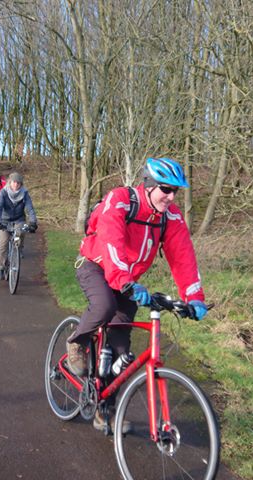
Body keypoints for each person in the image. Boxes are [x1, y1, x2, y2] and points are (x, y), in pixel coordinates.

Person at [67, 157, 209, 431]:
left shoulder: (171, 217)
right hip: (96, 267)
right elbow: (111, 241)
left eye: (175, 191)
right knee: (104, 306)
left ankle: (103, 412)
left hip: (127, 280)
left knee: (121, 352)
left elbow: (183, 258)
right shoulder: (120, 200)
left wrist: (194, 298)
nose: (170, 197)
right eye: (166, 189)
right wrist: (124, 281)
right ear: (150, 184)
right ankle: (77, 341)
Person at [0, 172, 38, 280]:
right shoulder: (4, 192)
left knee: (21, 232)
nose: (16, 185)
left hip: (19, 219)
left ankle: (19, 248)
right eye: (14, 182)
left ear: (21, 184)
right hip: (4, 220)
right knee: (3, 243)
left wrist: (33, 222)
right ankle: (0, 268)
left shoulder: (25, 193)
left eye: (18, 183)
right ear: (10, 182)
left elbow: (30, 208)